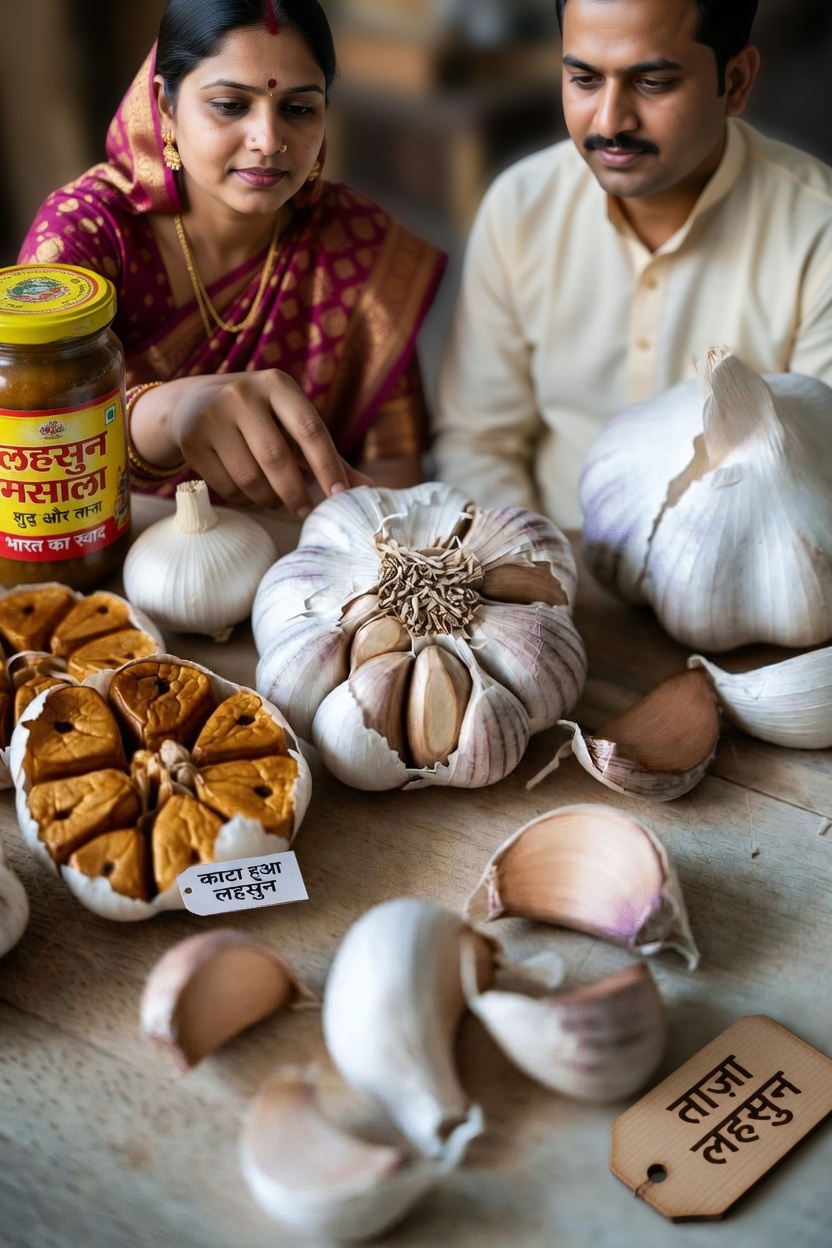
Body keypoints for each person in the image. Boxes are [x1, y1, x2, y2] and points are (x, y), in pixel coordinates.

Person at [19, 0, 446, 515]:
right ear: (166, 107)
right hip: (111, 557)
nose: (268, 140)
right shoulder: (85, 234)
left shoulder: (360, 248)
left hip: (310, 568)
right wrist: (169, 414)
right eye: (229, 105)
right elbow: (31, 434)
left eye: (298, 109)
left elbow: (393, 488)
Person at [432, 0, 832, 529]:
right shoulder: (519, 209)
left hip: (742, 588)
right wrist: (534, 572)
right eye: (584, 79)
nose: (609, 122)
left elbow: (814, 477)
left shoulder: (817, 232)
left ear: (735, 81)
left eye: (652, 83)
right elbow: (479, 441)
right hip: (544, 573)